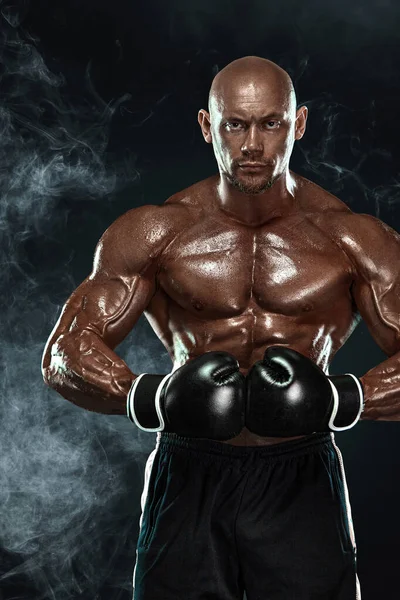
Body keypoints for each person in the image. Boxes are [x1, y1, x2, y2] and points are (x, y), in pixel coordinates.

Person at [41, 56, 400, 600]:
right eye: (234, 124)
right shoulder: (155, 231)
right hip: (188, 471)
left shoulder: (354, 241)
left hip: (301, 476)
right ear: (208, 126)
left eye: (269, 123)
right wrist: (153, 399)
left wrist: (342, 401)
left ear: (297, 124)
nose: (251, 145)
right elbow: (64, 352)